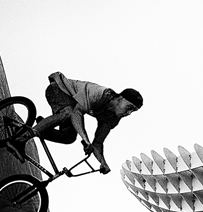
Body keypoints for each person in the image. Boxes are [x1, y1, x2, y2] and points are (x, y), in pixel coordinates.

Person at [9, 72, 143, 173]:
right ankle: (20, 140)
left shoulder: (113, 118)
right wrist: (85, 140)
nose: (128, 113)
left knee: (69, 137)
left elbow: (98, 143)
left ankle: (43, 126)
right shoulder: (101, 94)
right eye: (129, 107)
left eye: (133, 112)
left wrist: (103, 163)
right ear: (120, 98)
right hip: (59, 90)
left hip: (71, 105)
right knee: (68, 114)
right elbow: (76, 113)